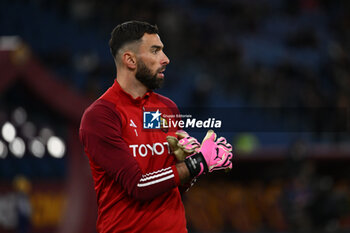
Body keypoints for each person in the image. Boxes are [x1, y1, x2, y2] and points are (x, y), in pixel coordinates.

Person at [79, 20, 233, 233]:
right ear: (130, 60)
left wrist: (186, 160)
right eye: (155, 51)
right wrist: (198, 163)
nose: (166, 59)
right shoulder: (101, 116)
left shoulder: (167, 108)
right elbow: (138, 186)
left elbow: (175, 185)